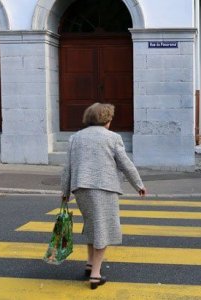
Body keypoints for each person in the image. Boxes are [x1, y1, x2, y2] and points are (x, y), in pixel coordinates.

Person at [60, 102, 146, 290]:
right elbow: (125, 164)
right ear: (107, 119)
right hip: (104, 188)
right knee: (103, 229)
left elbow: (68, 167)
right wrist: (138, 184)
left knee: (93, 225)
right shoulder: (113, 138)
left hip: (80, 188)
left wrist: (65, 192)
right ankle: (96, 275)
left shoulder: (75, 138)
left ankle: (90, 264)